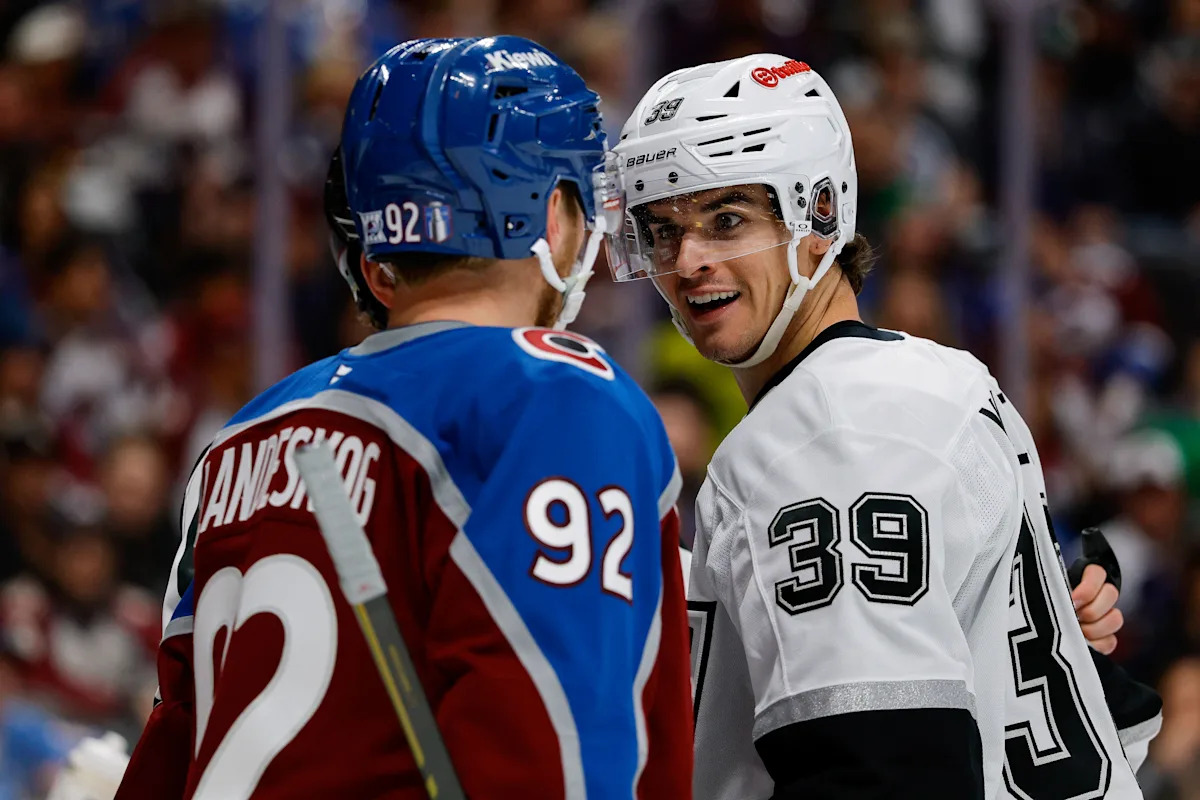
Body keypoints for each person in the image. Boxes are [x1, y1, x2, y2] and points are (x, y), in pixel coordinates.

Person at [114, 37, 692, 799]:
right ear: (553, 214)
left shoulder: (240, 437)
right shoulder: (553, 395)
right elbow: (552, 744)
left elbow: (171, 745)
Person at [608, 54, 1162, 799]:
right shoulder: (939, 378)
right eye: (663, 230)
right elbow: (1100, 713)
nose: (688, 261)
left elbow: (883, 771)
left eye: (727, 220)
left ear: (820, 214)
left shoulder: (819, 436)